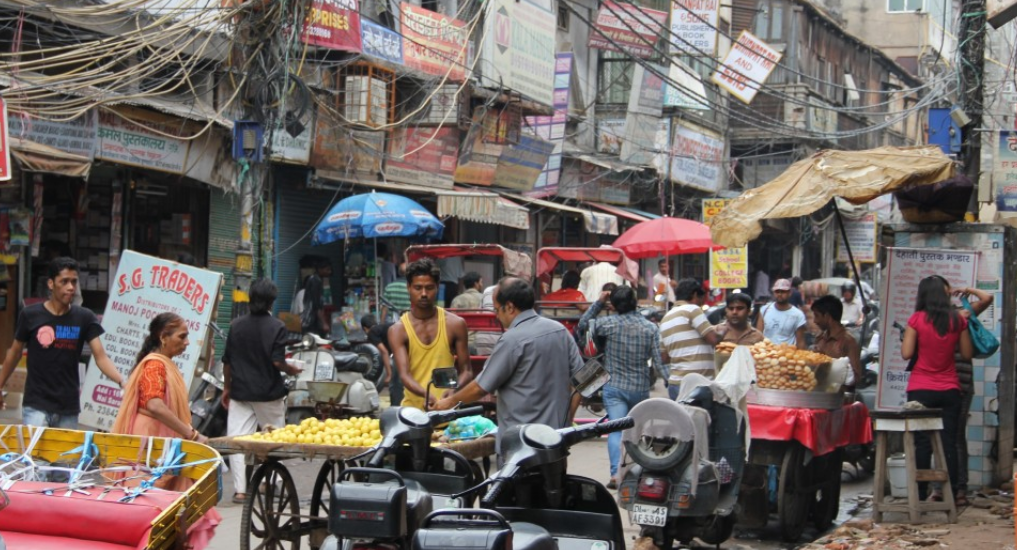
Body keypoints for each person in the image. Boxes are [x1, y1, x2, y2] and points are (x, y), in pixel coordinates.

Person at [433, 277, 584, 451]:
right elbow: (582, 382)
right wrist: (566, 420)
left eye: (497, 310)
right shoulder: (560, 331)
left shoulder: (512, 340)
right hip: (556, 440)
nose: (496, 316)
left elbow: (480, 387)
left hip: (520, 444)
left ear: (510, 307)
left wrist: (449, 402)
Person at [112, 312, 220, 548]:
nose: (187, 342)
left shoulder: (162, 364)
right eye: (182, 337)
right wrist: (191, 434)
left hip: (162, 443)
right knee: (148, 509)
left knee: (167, 510)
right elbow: (154, 404)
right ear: (163, 337)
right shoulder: (154, 365)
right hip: (150, 443)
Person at [0, 257, 124, 426]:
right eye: (64, 282)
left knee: (66, 453)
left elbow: (101, 357)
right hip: (36, 405)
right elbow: (14, 353)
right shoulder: (30, 315)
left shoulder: (84, 317)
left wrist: (122, 381)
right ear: (51, 284)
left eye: (74, 282)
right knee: (32, 453)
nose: (71, 287)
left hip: (68, 408)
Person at [222, 278, 301, 505]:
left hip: (240, 392)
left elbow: (227, 361)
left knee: (237, 440)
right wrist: (292, 369)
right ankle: (272, 483)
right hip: (268, 393)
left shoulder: (236, 325)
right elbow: (278, 362)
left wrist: (227, 387)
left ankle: (240, 490)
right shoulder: (277, 326)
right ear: (271, 302)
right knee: (276, 436)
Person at [578, 286, 666, 489]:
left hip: (615, 387)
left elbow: (583, 324)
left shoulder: (606, 323)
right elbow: (659, 364)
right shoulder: (651, 328)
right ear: (635, 302)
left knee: (616, 430)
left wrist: (599, 302)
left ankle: (616, 475)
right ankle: (636, 473)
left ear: (614, 305)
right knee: (637, 432)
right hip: (640, 387)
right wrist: (671, 381)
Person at [901, 276, 973, 503]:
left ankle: (920, 495)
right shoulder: (957, 321)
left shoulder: (916, 319)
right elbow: (968, 353)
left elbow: (906, 354)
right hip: (950, 389)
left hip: (921, 389)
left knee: (922, 443)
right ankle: (951, 493)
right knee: (948, 442)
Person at [937, 276, 993, 506]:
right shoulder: (931, 319)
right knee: (940, 438)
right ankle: (941, 487)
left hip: (960, 382)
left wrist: (966, 290)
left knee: (955, 436)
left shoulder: (962, 314)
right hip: (940, 382)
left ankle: (959, 488)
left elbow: (987, 298)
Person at [389, 259, 472, 409]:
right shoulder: (398, 330)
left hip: (448, 411)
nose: (424, 294)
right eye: (418, 288)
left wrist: (453, 390)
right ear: (408, 288)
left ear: (437, 287)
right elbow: (404, 375)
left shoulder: (455, 324)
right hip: (412, 415)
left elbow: (466, 370)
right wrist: (425, 394)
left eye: (429, 288)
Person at [660, 278, 723, 400]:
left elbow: (665, 358)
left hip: (675, 384)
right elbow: (713, 339)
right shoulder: (692, 310)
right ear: (694, 294)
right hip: (696, 385)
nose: (700, 303)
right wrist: (725, 330)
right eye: (701, 299)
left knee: (681, 419)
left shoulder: (665, 319)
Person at [811, 295, 862, 386]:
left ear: (827, 316)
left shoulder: (849, 341)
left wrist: (829, 363)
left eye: (817, 316)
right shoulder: (820, 338)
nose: (814, 321)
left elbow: (856, 377)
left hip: (837, 397)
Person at [362, 314, 402, 406]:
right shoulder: (381, 329)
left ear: (365, 328)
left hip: (402, 350)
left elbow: (384, 352)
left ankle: (396, 409)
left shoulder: (372, 333)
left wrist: (389, 374)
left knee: (395, 383)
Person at [756, 278, 807, 348]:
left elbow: (800, 342)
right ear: (773, 293)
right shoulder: (764, 310)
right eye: (777, 291)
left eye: (783, 292)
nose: (779, 294)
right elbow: (758, 336)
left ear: (790, 293)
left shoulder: (798, 315)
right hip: (768, 354)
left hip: (787, 355)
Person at [301, 258, 332, 336]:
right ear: (320, 269)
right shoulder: (316, 281)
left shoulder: (315, 279)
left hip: (309, 320)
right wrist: (324, 323)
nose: (329, 272)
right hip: (311, 321)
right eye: (327, 269)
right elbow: (317, 305)